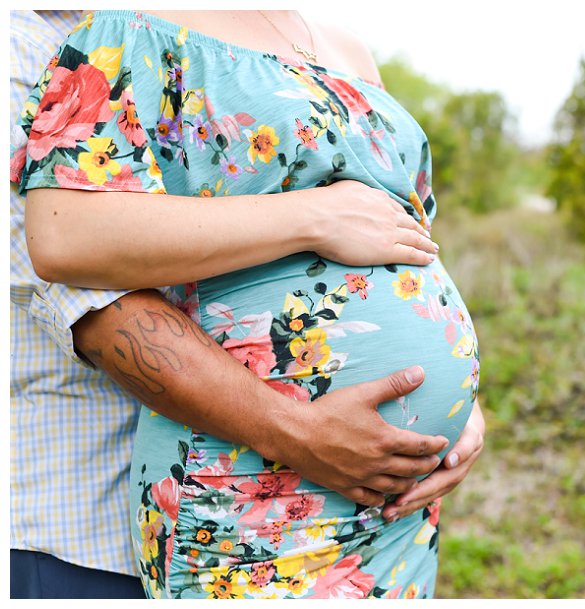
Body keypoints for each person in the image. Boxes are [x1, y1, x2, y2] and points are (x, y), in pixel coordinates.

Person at [13, 10, 484, 598]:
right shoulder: (127, 29)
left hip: (395, 507)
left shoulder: (343, 43)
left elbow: (404, 230)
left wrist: (463, 407)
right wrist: (313, 218)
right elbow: (68, 247)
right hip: (253, 479)